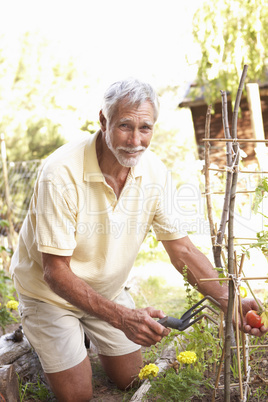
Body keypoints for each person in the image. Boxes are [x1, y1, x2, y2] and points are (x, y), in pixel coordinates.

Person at [10, 78, 267, 401]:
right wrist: (122, 317)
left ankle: (81, 337)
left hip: (107, 290)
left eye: (145, 128)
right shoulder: (60, 173)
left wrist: (228, 300)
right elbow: (55, 272)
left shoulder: (155, 173)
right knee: (77, 395)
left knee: (132, 378)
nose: (135, 140)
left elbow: (182, 249)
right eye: (125, 126)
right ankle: (42, 335)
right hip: (50, 294)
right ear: (103, 121)